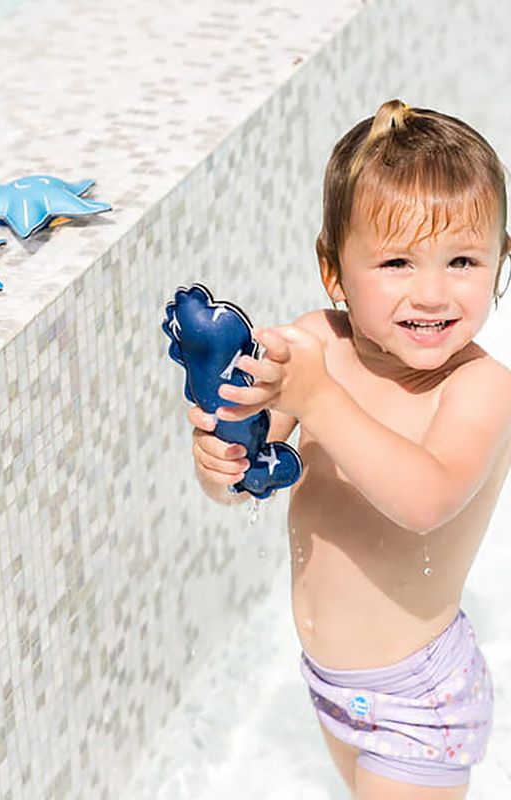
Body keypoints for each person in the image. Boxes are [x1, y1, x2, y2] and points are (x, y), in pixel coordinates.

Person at [188, 99, 511, 799]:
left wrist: (318, 401)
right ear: (333, 271)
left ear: (501, 263)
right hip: (330, 683)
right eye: (397, 261)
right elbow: (247, 476)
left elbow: (425, 501)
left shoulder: (480, 387)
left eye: (463, 260)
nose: (432, 292)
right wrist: (220, 461)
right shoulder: (315, 345)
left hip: (417, 701)